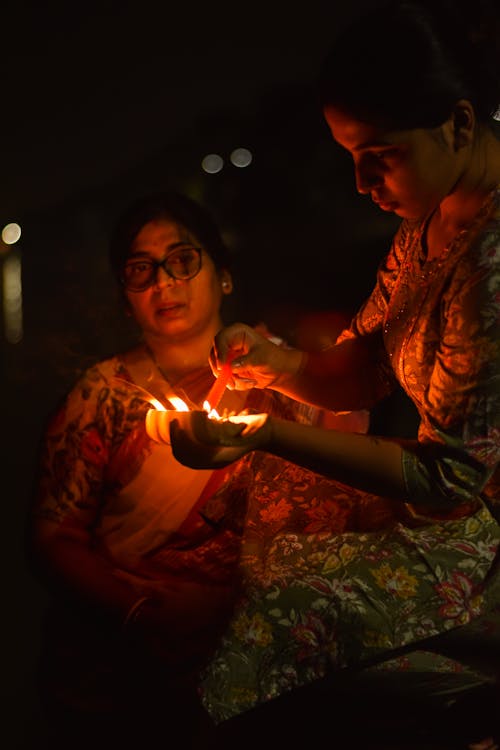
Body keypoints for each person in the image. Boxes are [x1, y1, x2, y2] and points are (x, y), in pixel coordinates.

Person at [168, 0, 500, 745]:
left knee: (268, 617)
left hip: (483, 534)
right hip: (450, 507)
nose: (360, 183)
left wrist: (263, 436)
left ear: (458, 124)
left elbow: (451, 480)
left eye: (378, 156)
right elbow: (359, 367)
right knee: (269, 518)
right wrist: (268, 359)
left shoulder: (490, 262)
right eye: (349, 156)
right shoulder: (430, 225)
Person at [27, 190, 366, 749]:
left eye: (183, 260)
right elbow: (52, 536)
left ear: (223, 275)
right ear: (125, 297)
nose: (164, 282)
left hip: (260, 659)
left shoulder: (289, 378)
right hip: (123, 673)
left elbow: (336, 517)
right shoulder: (102, 397)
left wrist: (236, 606)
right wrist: (140, 613)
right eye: (141, 271)